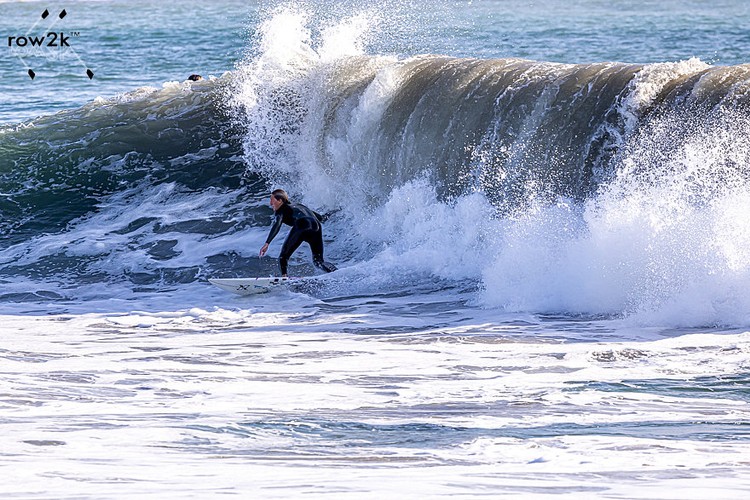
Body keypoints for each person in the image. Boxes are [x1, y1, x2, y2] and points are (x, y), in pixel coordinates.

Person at [259, 189, 337, 276]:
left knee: (283, 257)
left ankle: (284, 279)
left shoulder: (280, 210)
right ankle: (336, 272)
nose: (270, 203)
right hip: (316, 226)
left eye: (272, 200)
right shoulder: (299, 206)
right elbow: (320, 218)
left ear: (280, 201)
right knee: (318, 261)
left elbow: (277, 225)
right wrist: (334, 212)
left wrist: (267, 243)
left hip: (303, 225)